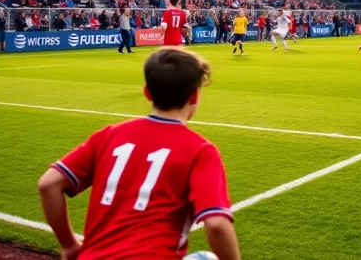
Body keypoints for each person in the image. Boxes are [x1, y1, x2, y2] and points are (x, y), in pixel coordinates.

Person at [37, 47, 241, 260]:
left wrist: (69, 244)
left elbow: (48, 184)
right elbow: (217, 224)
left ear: (147, 92)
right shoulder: (200, 151)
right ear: (195, 95)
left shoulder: (108, 136)